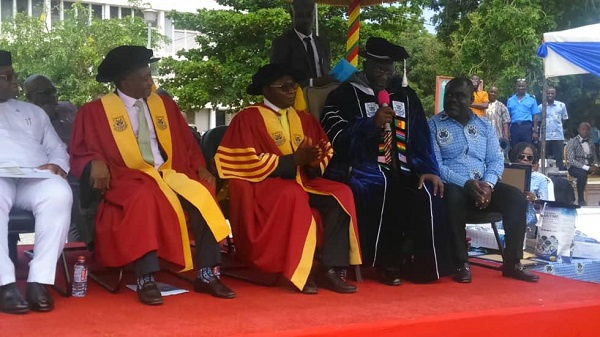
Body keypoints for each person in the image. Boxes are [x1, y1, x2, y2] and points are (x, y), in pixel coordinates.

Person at [69, 46, 235, 305]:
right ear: (125, 81)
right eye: (145, 77)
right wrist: (95, 161)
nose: (151, 81)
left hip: (169, 173)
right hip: (128, 177)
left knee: (202, 191)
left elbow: (187, 143)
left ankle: (207, 273)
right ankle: (146, 277)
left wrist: (200, 167)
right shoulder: (95, 111)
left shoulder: (164, 105)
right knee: (143, 196)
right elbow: (81, 150)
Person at [214, 64, 361, 294]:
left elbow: (324, 149)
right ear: (266, 90)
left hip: (303, 180)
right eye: (285, 86)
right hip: (265, 185)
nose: (292, 90)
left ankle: (330, 269)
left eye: (294, 85)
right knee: (294, 194)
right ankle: (303, 272)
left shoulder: (304, 118)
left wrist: (312, 163)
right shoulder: (248, 118)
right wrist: (293, 160)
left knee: (341, 194)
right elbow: (242, 161)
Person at [321, 37, 451, 285]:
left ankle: (420, 265)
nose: (384, 74)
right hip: (361, 167)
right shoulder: (345, 94)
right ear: (366, 65)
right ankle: (385, 262)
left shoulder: (406, 96)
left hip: (404, 166)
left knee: (428, 190)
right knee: (381, 185)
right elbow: (333, 135)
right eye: (378, 68)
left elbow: (421, 136)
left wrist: (428, 169)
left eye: (388, 69)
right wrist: (371, 124)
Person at [429, 77, 539, 284]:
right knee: (451, 194)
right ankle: (461, 263)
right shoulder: (433, 125)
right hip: (454, 187)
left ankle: (512, 263)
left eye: (459, 96)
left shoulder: (485, 126)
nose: (452, 100)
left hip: (483, 187)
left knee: (516, 197)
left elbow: (496, 160)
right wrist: (466, 184)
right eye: (449, 95)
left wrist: (488, 185)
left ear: (471, 99)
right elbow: (436, 165)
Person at [0, 50, 72, 314]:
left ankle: (39, 280)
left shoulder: (32, 112)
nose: (14, 82)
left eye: (13, 75)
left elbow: (56, 147)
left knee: (59, 192)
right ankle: (5, 285)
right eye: (6, 77)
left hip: (33, 177)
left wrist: (57, 165)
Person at [24, 74, 81, 242]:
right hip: (49, 173)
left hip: (80, 166)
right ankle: (77, 242)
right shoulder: (26, 118)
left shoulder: (68, 109)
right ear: (30, 97)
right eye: (44, 93)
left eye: (52, 91)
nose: (52, 97)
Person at [270, 0, 333, 88]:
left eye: (309, 15)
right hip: (298, 98)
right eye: (300, 15)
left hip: (326, 96)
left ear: (314, 15)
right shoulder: (282, 43)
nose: (305, 20)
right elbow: (279, 80)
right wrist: (312, 83)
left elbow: (327, 70)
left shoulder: (323, 42)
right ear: (292, 15)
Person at [510, 142, 553, 238]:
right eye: (522, 156)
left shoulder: (541, 179)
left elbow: (545, 206)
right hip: (504, 222)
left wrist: (535, 199)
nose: (525, 159)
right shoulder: (506, 173)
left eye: (529, 157)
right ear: (515, 157)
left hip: (528, 224)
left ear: (533, 160)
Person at [23, 75, 77, 145]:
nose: (52, 95)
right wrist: (45, 117)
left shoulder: (67, 107)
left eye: (53, 90)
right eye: (46, 93)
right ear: (30, 97)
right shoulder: (26, 120)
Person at [565, 122, 599, 206]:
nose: (585, 131)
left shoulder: (591, 143)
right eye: (583, 129)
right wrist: (587, 168)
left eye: (587, 130)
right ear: (578, 130)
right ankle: (581, 200)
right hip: (575, 167)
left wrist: (596, 165)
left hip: (589, 166)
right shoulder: (572, 142)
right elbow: (571, 160)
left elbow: (594, 157)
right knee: (582, 174)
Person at [539, 87, 568, 171]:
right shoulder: (541, 107)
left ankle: (560, 176)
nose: (550, 95)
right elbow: (538, 121)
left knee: (559, 158)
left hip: (558, 136)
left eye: (552, 93)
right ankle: (544, 174)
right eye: (548, 93)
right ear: (545, 94)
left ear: (555, 94)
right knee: (543, 158)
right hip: (545, 137)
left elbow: (565, 119)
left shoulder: (561, 105)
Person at [507, 79, 540, 148]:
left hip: (527, 127)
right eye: (519, 86)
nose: (520, 88)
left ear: (526, 87)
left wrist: (535, 131)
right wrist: (508, 132)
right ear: (516, 87)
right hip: (514, 127)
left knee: (527, 148)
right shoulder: (510, 100)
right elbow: (507, 117)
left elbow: (535, 116)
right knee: (515, 149)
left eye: (522, 86)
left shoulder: (531, 99)